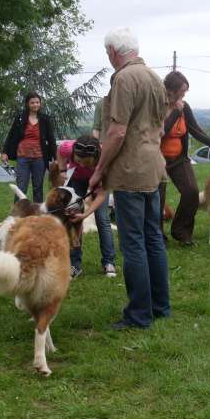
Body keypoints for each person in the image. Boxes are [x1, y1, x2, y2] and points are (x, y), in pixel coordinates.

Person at [89, 27, 170, 330]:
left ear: (113, 52)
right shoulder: (154, 77)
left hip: (130, 169)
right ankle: (160, 306)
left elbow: (117, 131)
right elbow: (159, 126)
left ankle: (138, 314)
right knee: (153, 238)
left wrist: (99, 170)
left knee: (133, 242)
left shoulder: (123, 79)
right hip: (153, 165)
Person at [160, 71, 210, 246]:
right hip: (158, 160)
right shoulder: (159, 105)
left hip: (179, 158)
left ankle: (182, 232)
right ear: (171, 90)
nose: (184, 94)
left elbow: (195, 129)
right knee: (158, 199)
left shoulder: (184, 107)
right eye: (182, 90)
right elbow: (161, 132)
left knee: (191, 192)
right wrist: (174, 113)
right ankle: (158, 237)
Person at [57, 135, 117, 278]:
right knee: (74, 221)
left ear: (95, 159)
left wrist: (86, 213)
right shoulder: (69, 148)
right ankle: (75, 265)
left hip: (98, 181)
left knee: (102, 219)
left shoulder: (105, 161)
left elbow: (101, 195)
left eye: (87, 163)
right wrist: (62, 170)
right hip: (77, 181)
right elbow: (59, 150)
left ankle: (109, 262)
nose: (82, 165)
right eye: (79, 161)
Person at [2, 92, 56, 203]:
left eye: (37, 102)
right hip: (23, 157)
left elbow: (51, 139)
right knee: (21, 187)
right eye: (32, 103)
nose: (35, 105)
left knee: (38, 188)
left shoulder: (45, 119)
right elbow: (11, 135)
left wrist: (55, 157)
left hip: (40, 158)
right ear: (27, 104)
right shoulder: (20, 118)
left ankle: (37, 214)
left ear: (40, 103)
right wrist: (5, 152)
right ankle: (18, 215)